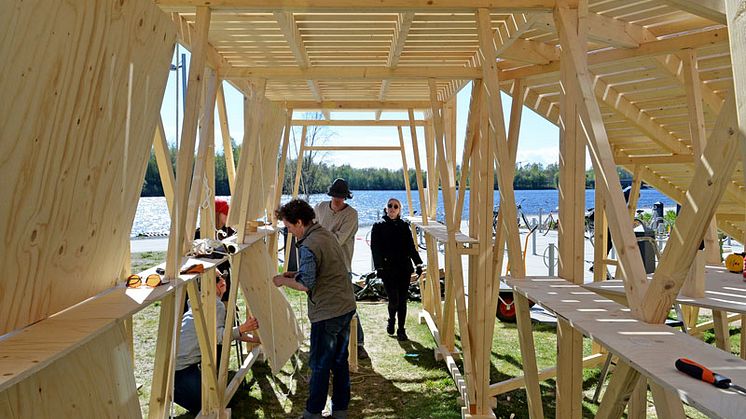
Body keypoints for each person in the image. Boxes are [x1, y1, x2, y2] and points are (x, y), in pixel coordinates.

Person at [273, 199, 357, 419]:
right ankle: (340, 409)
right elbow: (322, 269)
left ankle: (313, 412)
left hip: (328, 312)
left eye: (289, 227)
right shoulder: (325, 234)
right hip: (344, 305)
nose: (289, 231)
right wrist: (295, 274)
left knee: (319, 363)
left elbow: (305, 284)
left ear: (299, 222)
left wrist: (282, 280)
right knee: (339, 361)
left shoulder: (309, 244)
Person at [174, 273, 259, 415]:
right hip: (182, 368)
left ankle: (177, 390)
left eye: (223, 277)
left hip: (176, 364)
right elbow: (220, 337)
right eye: (216, 279)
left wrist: (256, 340)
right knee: (210, 405)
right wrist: (244, 327)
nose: (222, 281)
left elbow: (224, 334)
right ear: (207, 285)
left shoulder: (200, 300)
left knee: (212, 399)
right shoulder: (216, 305)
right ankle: (177, 391)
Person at [313, 178, 367, 359]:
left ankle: (358, 343)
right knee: (322, 304)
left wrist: (317, 238)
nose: (337, 200)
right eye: (335, 196)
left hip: (341, 266)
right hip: (320, 265)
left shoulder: (351, 215)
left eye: (341, 197)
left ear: (346, 197)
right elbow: (308, 227)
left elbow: (337, 241)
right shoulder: (320, 207)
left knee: (348, 305)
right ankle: (329, 342)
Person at [370, 198, 423, 341]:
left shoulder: (404, 226)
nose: (392, 208)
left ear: (399, 210)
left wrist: (418, 264)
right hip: (387, 269)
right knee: (393, 299)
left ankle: (401, 329)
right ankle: (391, 318)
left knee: (403, 300)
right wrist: (378, 267)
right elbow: (375, 249)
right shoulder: (378, 226)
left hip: (404, 268)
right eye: (390, 206)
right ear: (386, 208)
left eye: (395, 206)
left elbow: (411, 247)